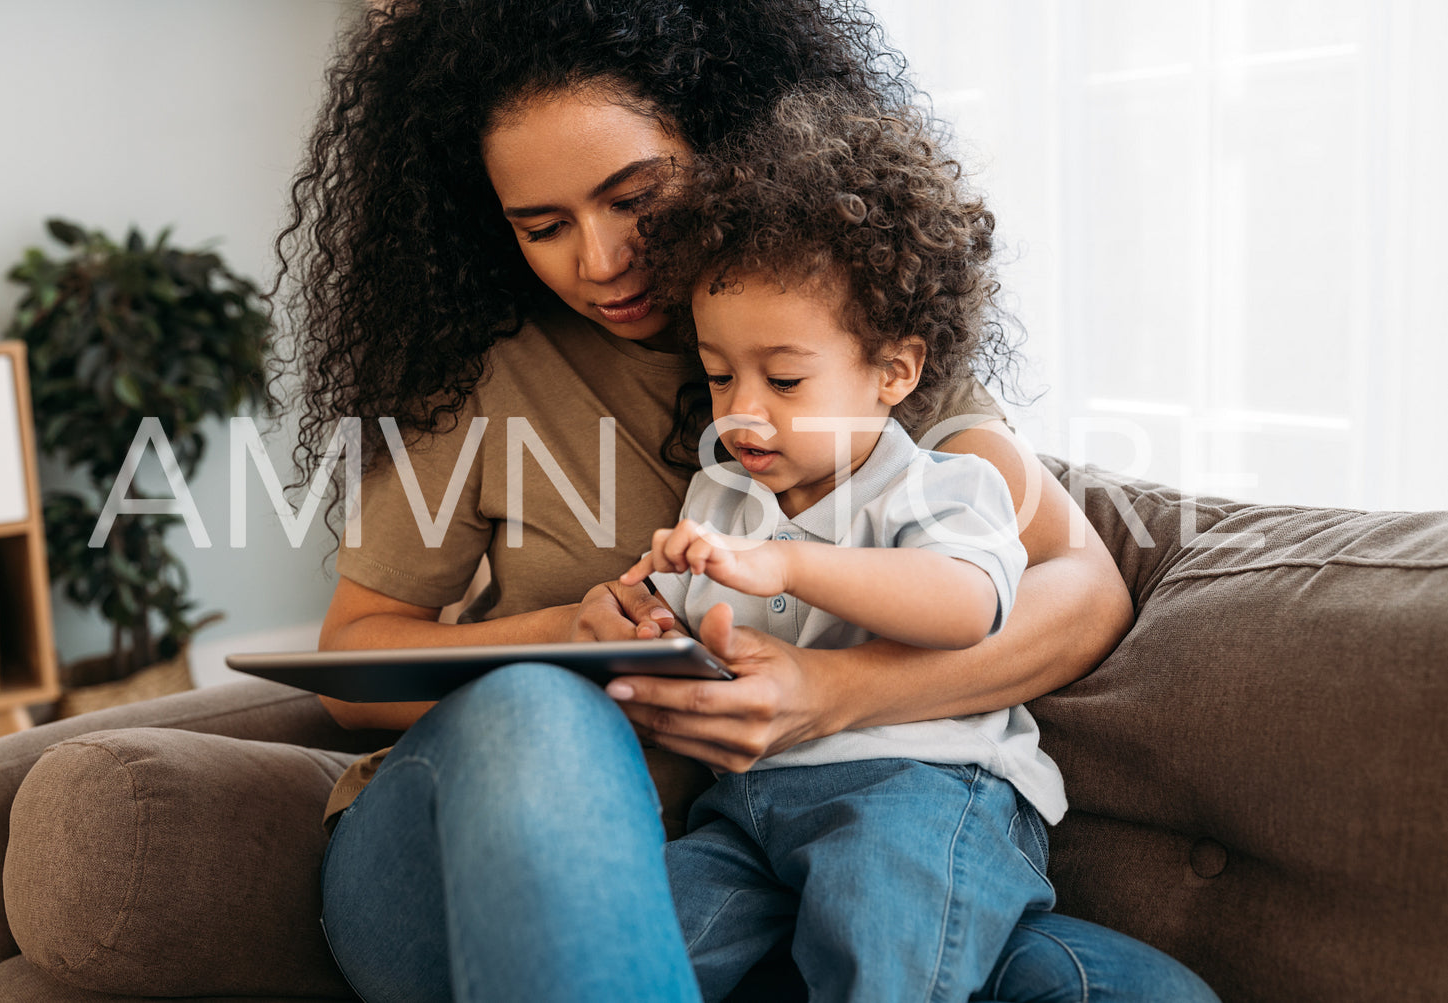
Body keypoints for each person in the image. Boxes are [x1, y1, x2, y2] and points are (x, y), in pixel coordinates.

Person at [275, 1, 1217, 1000]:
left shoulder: (848, 326)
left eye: (633, 197)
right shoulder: (477, 367)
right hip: (458, 867)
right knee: (541, 704)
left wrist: (828, 698)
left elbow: (1077, 586)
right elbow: (352, 660)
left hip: (768, 864)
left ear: (720, 132)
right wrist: (577, 639)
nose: (597, 262)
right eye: (541, 227)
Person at [614, 87, 1062, 1001]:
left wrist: (787, 562)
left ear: (892, 370)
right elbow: (706, 635)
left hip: (924, 790)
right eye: (716, 375)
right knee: (630, 947)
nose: (740, 410)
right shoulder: (722, 492)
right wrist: (656, 608)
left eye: (783, 377)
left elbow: (966, 600)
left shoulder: (941, 483)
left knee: (876, 937)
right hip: (745, 808)